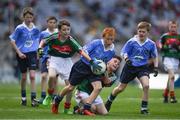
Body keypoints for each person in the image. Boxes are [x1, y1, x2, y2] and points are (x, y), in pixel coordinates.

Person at [51, 27, 116, 115]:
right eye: (107, 39)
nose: (109, 41)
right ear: (103, 37)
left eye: (111, 39)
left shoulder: (112, 51)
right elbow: (83, 52)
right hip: (83, 66)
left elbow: (104, 64)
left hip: (94, 70)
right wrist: (91, 61)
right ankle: (56, 101)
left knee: (98, 87)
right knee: (70, 87)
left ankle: (86, 108)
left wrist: (106, 76)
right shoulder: (96, 43)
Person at [38, 19, 98, 114]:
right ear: (59, 30)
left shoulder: (71, 40)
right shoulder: (54, 37)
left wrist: (90, 60)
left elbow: (81, 51)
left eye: (68, 29)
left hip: (67, 62)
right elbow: (43, 41)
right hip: (54, 59)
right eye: (64, 30)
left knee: (70, 87)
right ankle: (49, 94)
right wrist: (40, 48)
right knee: (52, 76)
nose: (66, 32)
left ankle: (66, 108)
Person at [105, 21, 158, 115]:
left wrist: (156, 67)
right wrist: (126, 59)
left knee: (146, 86)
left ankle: (144, 108)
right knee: (120, 88)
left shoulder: (151, 44)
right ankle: (109, 101)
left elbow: (155, 56)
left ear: (147, 33)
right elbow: (123, 52)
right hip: (130, 66)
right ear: (137, 31)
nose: (141, 33)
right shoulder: (131, 41)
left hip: (143, 67)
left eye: (143, 32)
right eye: (140, 31)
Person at [9, 7, 40, 107]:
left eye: (30, 17)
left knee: (32, 76)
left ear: (33, 17)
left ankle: (33, 99)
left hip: (32, 54)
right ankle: (23, 98)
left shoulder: (36, 29)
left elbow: (37, 42)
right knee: (23, 77)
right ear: (23, 17)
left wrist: (38, 53)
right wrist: (18, 53)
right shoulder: (19, 28)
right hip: (21, 54)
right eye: (27, 17)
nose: (29, 19)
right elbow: (12, 41)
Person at [158, 20, 180, 103]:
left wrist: (177, 48)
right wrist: (163, 47)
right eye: (171, 27)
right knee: (172, 76)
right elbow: (159, 44)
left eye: (174, 27)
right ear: (169, 27)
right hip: (167, 58)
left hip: (176, 59)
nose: (173, 28)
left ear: (177, 27)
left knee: (170, 78)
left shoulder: (179, 37)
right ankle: (172, 96)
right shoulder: (165, 36)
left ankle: (165, 93)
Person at [38, 16, 58, 104]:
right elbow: (39, 45)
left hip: (55, 58)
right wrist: (39, 55)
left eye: (54, 22)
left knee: (54, 79)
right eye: (50, 22)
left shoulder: (58, 32)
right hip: (45, 57)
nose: (52, 24)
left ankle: (54, 97)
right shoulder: (43, 33)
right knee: (43, 76)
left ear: (56, 23)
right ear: (47, 23)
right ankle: (43, 96)